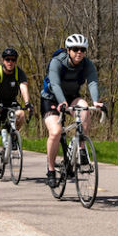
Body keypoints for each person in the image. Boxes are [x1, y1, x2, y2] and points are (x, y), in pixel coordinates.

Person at [41, 33, 103, 187]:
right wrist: (61, 102)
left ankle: (81, 148)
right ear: (68, 50)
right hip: (51, 99)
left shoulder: (87, 64)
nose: (79, 52)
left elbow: (93, 82)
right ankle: (50, 170)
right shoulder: (57, 62)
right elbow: (55, 84)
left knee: (85, 108)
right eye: (75, 49)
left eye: (82, 49)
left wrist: (96, 101)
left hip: (71, 97)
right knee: (55, 132)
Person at [0, 48, 33, 175]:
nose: (10, 62)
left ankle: (13, 136)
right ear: (3, 60)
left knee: (21, 114)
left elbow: (23, 88)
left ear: (16, 61)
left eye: (13, 60)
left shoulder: (19, 73)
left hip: (11, 102)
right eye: (7, 59)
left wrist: (27, 103)